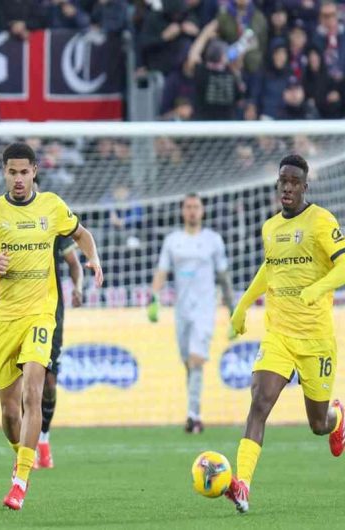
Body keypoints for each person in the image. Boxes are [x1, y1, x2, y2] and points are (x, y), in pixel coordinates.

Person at [0, 142, 103, 510]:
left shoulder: (53, 206)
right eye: (12, 172)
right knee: (10, 412)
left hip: (41, 315)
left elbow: (82, 235)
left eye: (24, 172)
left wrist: (93, 261)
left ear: (35, 172)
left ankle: (20, 482)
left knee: (33, 392)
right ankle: (20, 454)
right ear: (4, 173)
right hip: (4, 320)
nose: (18, 179)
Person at [226, 154, 345, 513]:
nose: (288, 187)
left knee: (317, 423)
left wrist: (317, 288)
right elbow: (270, 269)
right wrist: (243, 305)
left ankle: (337, 417)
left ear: (305, 186)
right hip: (278, 334)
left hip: (315, 339)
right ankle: (242, 485)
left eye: (295, 182)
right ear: (278, 185)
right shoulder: (270, 228)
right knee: (259, 402)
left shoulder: (322, 221)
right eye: (283, 181)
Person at [147, 193, 235, 434]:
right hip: (182, 310)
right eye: (188, 207)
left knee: (197, 359)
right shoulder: (173, 240)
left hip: (205, 309)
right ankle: (193, 410)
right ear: (183, 211)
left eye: (196, 206)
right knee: (189, 363)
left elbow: (224, 277)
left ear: (203, 211)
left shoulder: (213, 240)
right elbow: (162, 270)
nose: (192, 211)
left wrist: (232, 310)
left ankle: (193, 416)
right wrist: (153, 298)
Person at [32, 176, 83, 469]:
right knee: (25, 383)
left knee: (48, 382)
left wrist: (78, 287)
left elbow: (75, 265)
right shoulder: (7, 220)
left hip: (51, 313)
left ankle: (44, 440)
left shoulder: (53, 222)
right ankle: (24, 449)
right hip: (17, 311)